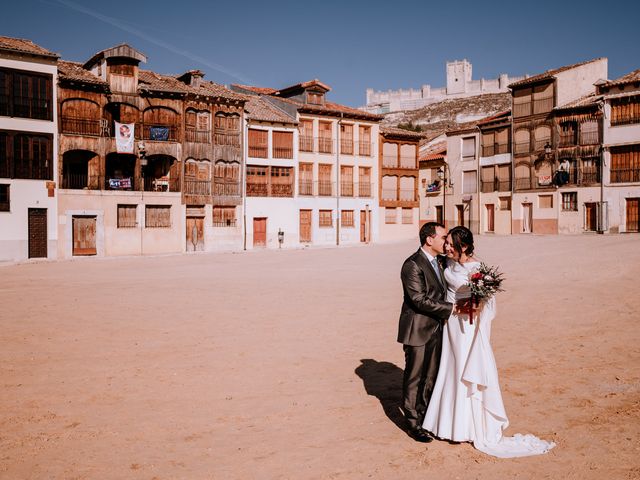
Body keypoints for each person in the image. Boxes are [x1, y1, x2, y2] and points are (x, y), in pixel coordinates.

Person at [422, 226, 555, 457]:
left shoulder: (479, 269)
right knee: (451, 368)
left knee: (466, 368)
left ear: (464, 246)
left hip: (467, 326)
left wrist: (475, 308)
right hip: (450, 325)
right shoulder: (449, 263)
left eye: (452, 244)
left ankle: (469, 427)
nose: (448, 247)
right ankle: (448, 424)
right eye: (447, 243)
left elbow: (485, 302)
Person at [397, 222, 454, 443]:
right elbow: (419, 300)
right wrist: (452, 309)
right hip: (418, 329)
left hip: (437, 328)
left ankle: (426, 418)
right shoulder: (412, 265)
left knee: (431, 375)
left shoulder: (440, 261)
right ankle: (412, 423)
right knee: (414, 377)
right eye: (443, 238)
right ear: (429, 239)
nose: (446, 242)